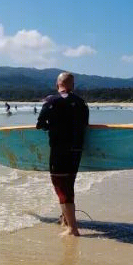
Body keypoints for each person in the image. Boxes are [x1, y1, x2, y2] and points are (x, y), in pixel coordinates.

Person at [36, 72, 89, 237]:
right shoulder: (81, 103)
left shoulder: (51, 101)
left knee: (61, 187)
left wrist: (50, 127)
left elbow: (40, 125)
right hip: (76, 150)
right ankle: (66, 220)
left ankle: (73, 229)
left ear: (57, 84)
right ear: (72, 86)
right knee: (69, 184)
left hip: (59, 150)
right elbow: (85, 125)